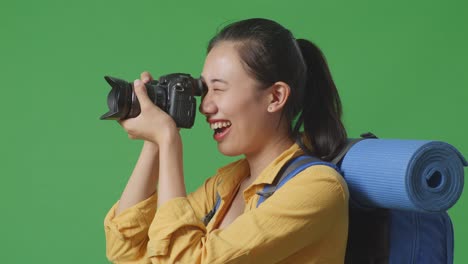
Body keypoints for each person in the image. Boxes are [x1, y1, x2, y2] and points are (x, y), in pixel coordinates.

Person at [104, 18, 349, 263]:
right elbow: (127, 253)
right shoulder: (228, 184)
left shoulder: (317, 187)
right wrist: (154, 138)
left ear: (275, 97)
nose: (205, 106)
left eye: (219, 89)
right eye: (204, 89)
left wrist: (168, 138)